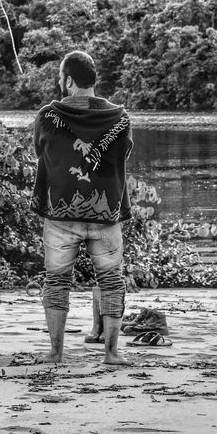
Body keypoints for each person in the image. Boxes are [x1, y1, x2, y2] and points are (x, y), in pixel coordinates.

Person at [32, 50, 134, 366]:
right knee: (112, 281)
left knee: (57, 280)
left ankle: (56, 352)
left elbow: (40, 150)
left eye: (62, 78)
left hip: (61, 214)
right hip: (106, 216)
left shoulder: (48, 116)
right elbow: (125, 154)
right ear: (94, 80)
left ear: (70, 80)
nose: (61, 83)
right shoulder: (120, 117)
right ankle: (112, 353)